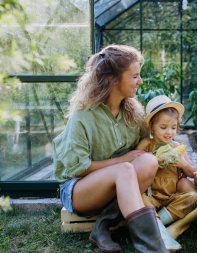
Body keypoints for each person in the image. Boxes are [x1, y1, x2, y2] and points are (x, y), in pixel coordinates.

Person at [53, 45, 168, 253]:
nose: (140, 81)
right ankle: (154, 249)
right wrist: (123, 160)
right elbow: (79, 169)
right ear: (114, 79)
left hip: (118, 185)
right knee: (125, 169)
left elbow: (144, 147)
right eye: (134, 76)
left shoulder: (132, 111)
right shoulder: (83, 115)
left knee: (149, 161)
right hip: (78, 189)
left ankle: (102, 226)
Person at [136, 95, 197, 251]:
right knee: (140, 197)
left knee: (194, 198)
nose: (169, 132)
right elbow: (134, 165)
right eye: (163, 127)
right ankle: (164, 235)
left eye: (173, 127)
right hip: (151, 196)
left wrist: (183, 164)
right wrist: (152, 159)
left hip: (170, 198)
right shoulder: (147, 144)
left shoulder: (177, 146)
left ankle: (158, 225)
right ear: (152, 127)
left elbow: (193, 173)